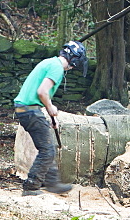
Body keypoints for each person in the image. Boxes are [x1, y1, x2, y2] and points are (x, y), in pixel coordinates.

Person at [14, 40, 88, 196]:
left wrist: (50, 116)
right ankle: (31, 186)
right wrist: (51, 108)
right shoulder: (57, 68)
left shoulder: (49, 62)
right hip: (30, 109)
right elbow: (42, 92)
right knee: (47, 150)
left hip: (26, 108)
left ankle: (52, 183)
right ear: (74, 60)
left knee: (48, 147)